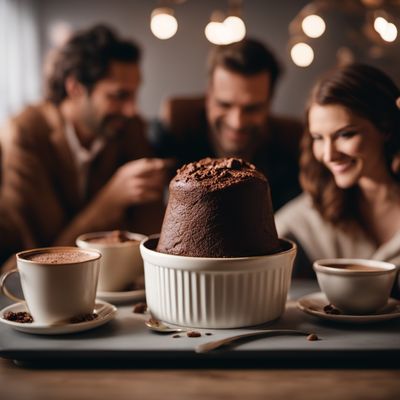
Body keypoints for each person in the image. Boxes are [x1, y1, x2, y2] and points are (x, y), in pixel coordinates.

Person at [0, 24, 172, 259]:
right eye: (119, 95)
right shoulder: (26, 135)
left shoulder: (128, 128)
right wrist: (111, 200)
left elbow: (152, 236)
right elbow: (36, 255)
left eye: (134, 95)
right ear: (75, 88)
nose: (132, 110)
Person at [275, 63, 400, 283]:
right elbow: (263, 241)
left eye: (345, 134)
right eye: (318, 138)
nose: (329, 154)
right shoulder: (313, 210)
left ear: (386, 128)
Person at [149, 38, 303, 211]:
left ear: (269, 103)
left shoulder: (291, 142)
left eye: (252, 109)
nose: (237, 122)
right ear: (208, 96)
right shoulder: (177, 125)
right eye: (224, 104)